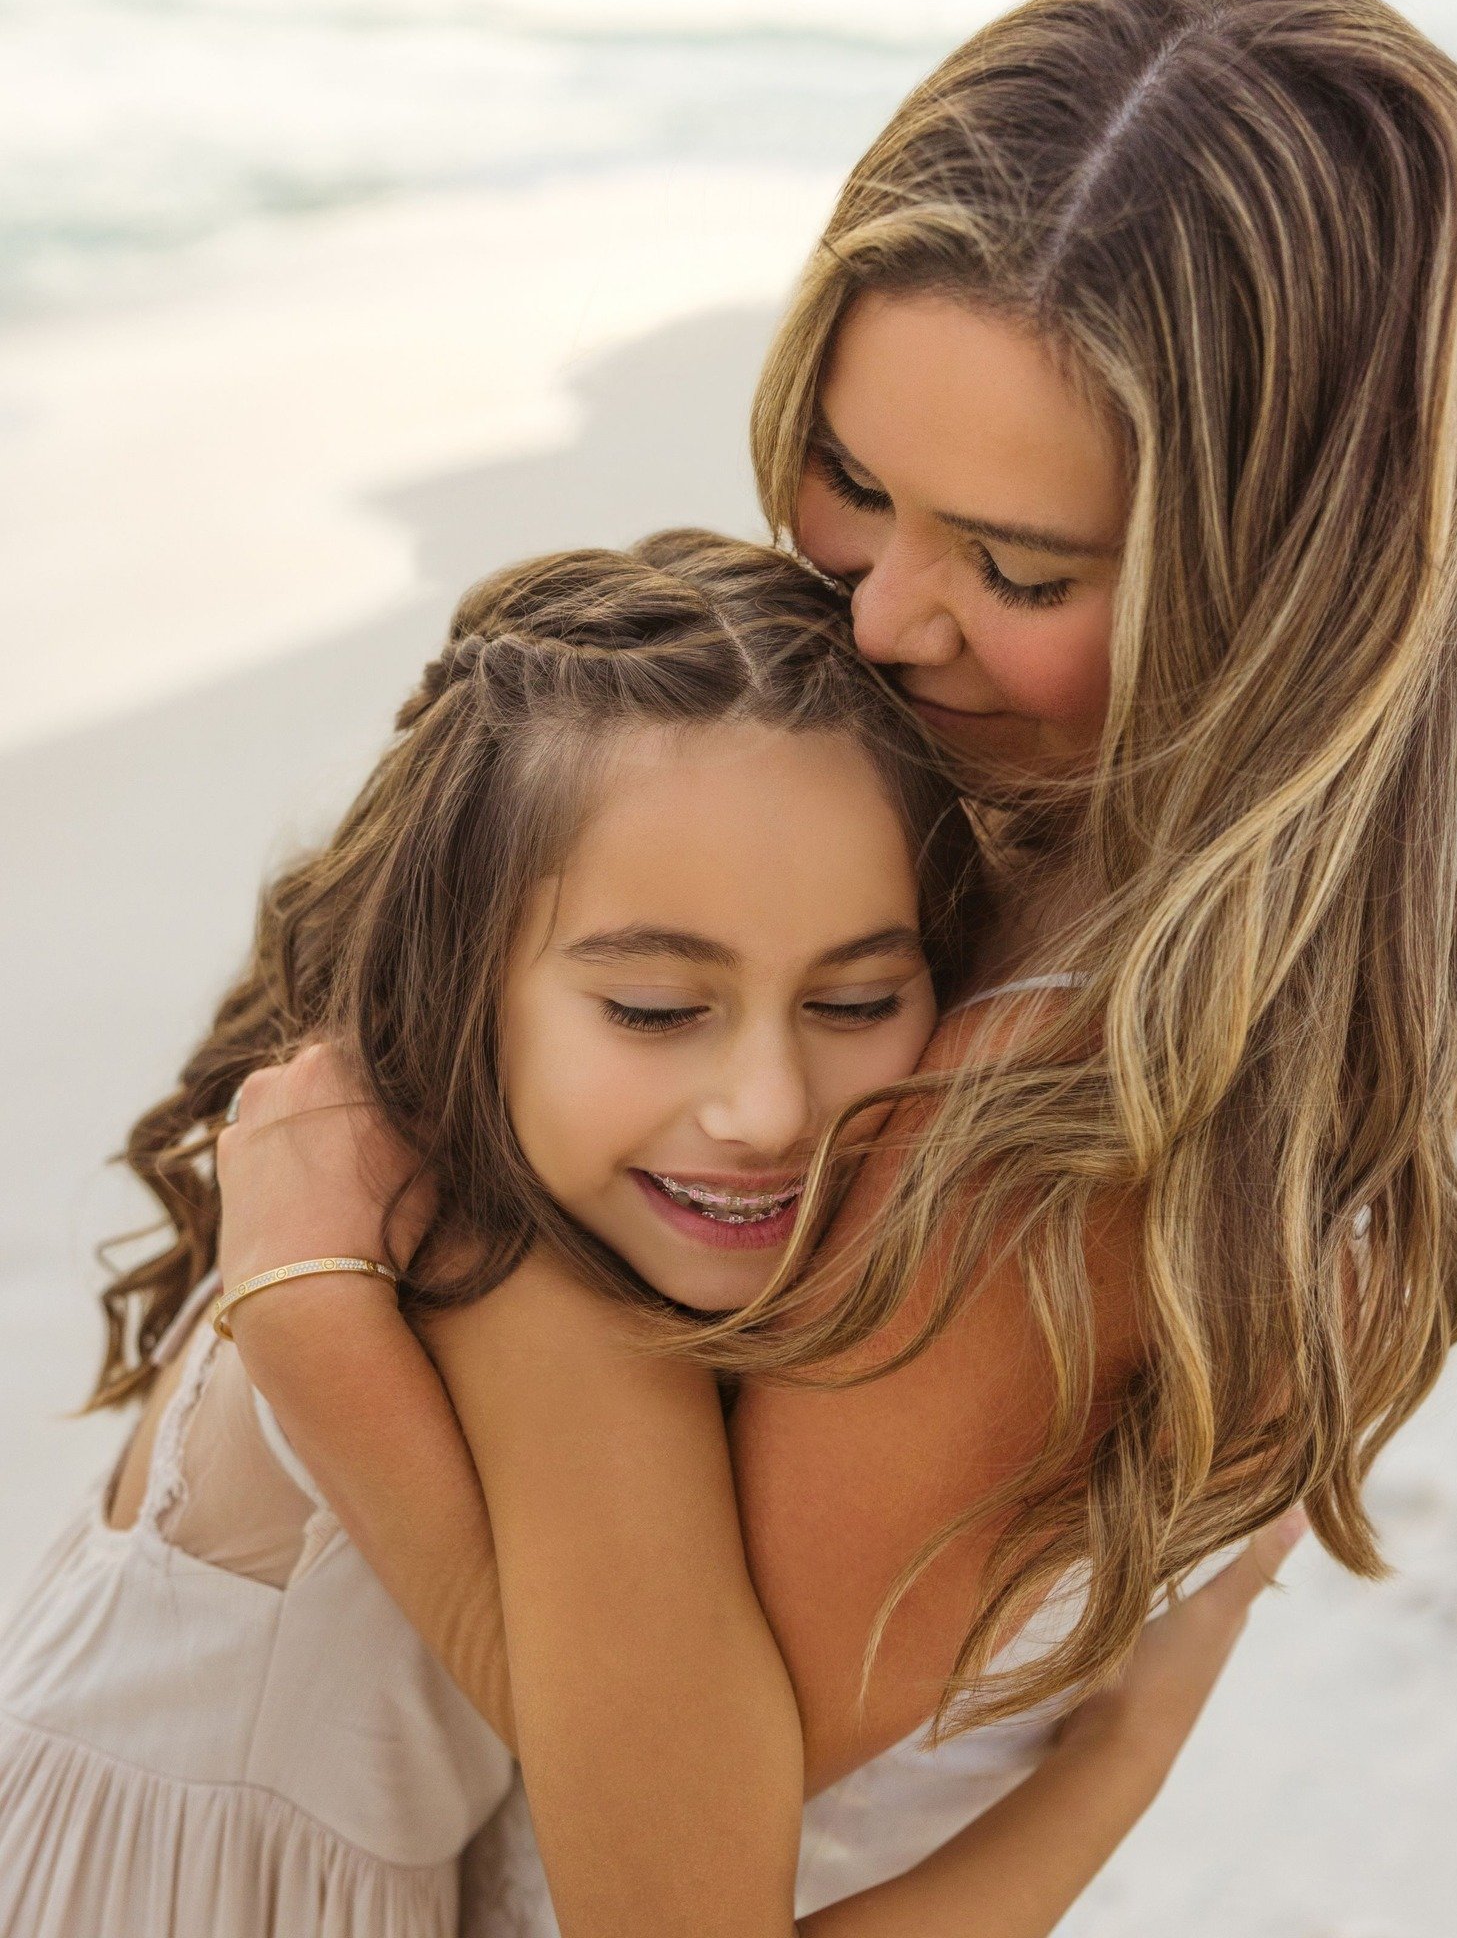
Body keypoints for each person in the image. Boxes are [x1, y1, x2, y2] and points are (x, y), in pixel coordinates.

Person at [102, 0, 1457, 1931]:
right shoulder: (1051, 888)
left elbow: (656, 1888)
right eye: (851, 478)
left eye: (1021, 562)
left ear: (1289, 583)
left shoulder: (1034, 1117)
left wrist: (358, 1308)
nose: (885, 614)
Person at [0, 532, 1291, 1938]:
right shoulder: (501, 1278)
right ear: (460, 982)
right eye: (657, 1012)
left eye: (856, 1004)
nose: (765, 1110)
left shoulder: (487, 1195)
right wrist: (1133, 1733)